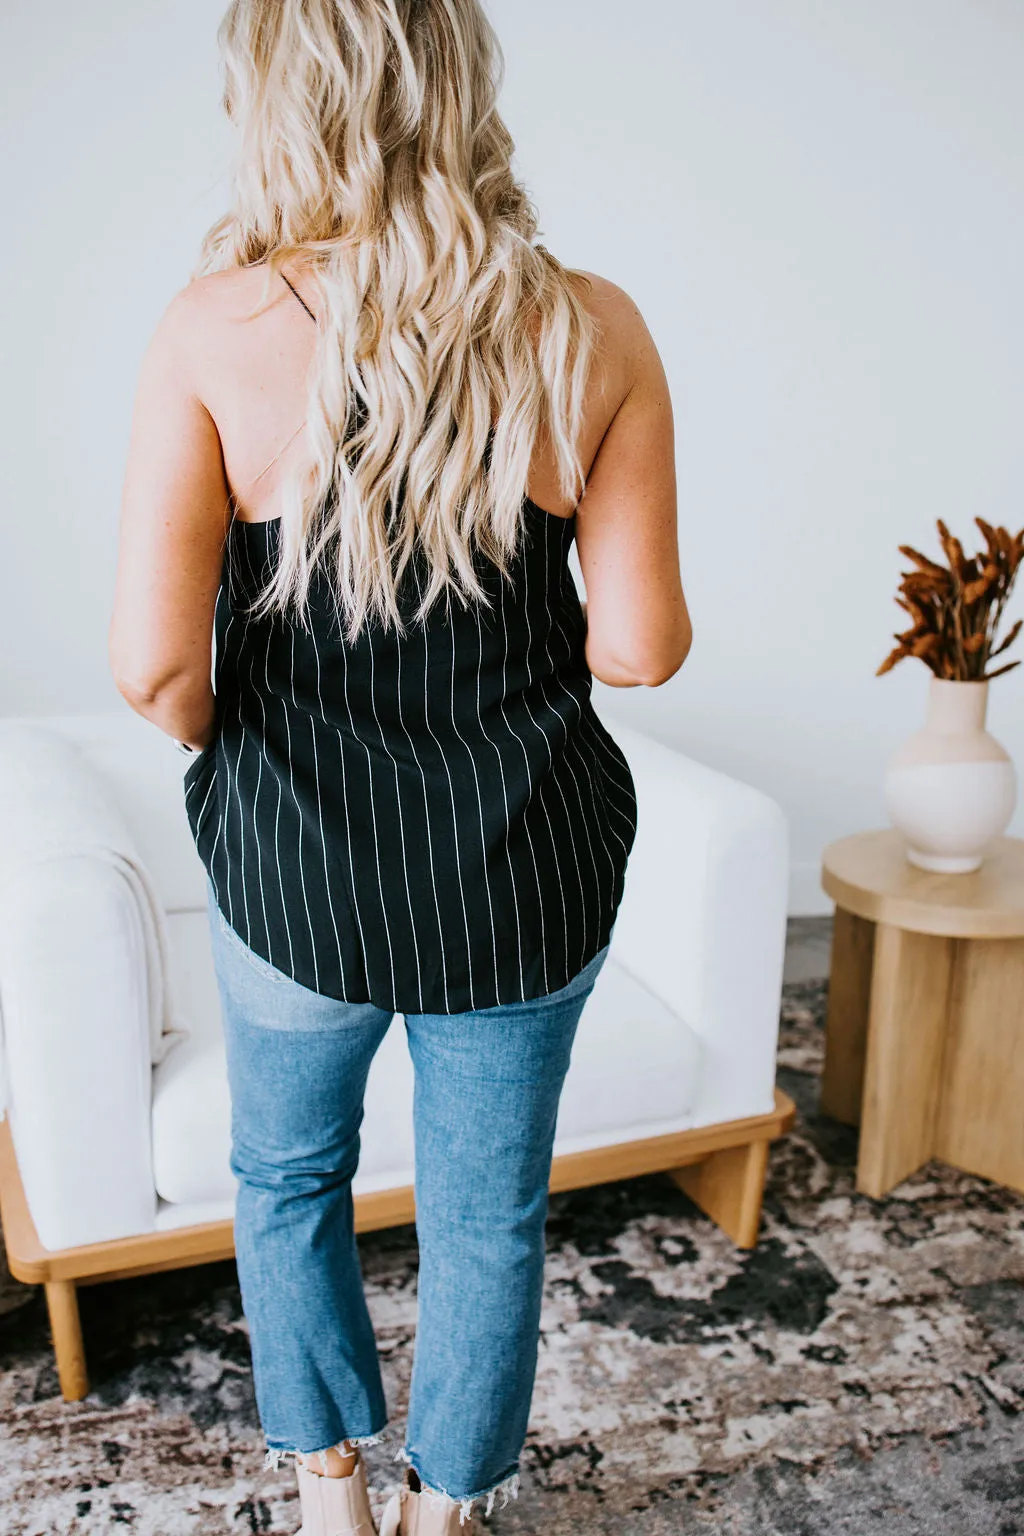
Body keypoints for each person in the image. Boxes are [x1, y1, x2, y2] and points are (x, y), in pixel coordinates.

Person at [109, 1, 691, 1531]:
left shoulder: (214, 328)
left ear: (278, 107)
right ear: (459, 90)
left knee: (287, 1178)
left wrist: (245, 765)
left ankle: (328, 1487)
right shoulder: (596, 327)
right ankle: (453, 1508)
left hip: (297, 869)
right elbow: (638, 651)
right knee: (489, 1219)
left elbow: (158, 667)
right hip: (526, 872)